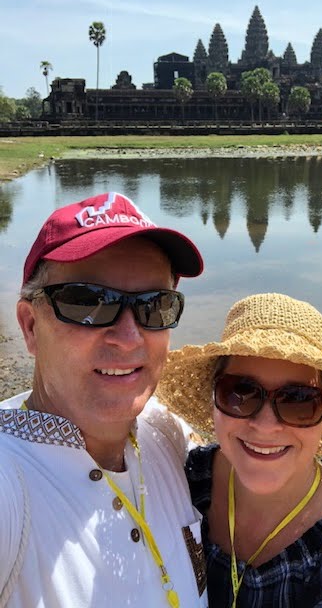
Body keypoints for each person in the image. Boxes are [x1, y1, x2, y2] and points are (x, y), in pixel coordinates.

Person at [0, 191, 208, 607]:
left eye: (155, 306)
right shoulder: (10, 483)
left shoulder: (166, 433)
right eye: (88, 303)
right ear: (29, 326)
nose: (130, 338)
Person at [156, 293, 322, 607]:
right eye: (241, 391)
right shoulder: (180, 481)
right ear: (214, 397)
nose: (265, 426)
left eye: (299, 400)